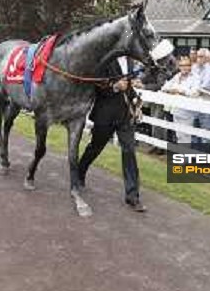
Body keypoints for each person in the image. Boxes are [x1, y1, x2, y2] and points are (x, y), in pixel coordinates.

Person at [78, 56, 145, 212]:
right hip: (105, 114)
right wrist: (114, 87)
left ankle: (132, 195)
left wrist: (135, 96)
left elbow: (128, 87)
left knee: (129, 150)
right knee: (95, 147)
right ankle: (80, 171)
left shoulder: (129, 61)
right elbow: (96, 86)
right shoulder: (104, 59)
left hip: (125, 115)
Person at [161, 56, 200, 143]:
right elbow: (164, 87)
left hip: (187, 112)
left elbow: (194, 93)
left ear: (190, 66)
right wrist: (171, 90)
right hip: (175, 110)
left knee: (186, 137)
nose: (184, 67)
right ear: (179, 67)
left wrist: (180, 91)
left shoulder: (195, 77)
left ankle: (186, 156)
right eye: (182, 65)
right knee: (179, 136)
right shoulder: (177, 76)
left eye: (187, 65)